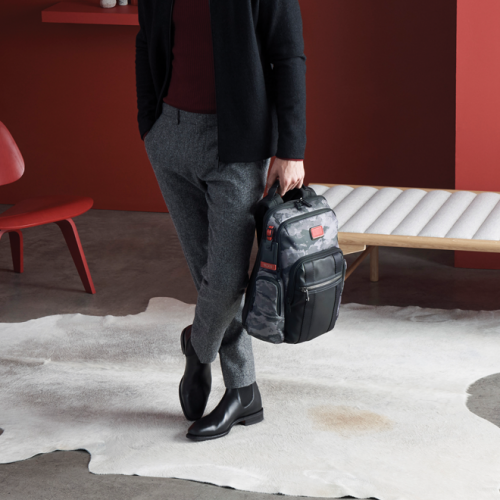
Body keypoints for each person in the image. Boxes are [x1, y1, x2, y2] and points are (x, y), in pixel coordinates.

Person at [135, 0, 306, 441]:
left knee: (227, 280)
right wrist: (149, 124)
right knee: (206, 274)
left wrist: (291, 150)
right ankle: (243, 391)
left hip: (237, 145)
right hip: (168, 136)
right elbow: (146, 39)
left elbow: (288, 55)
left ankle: (198, 348)